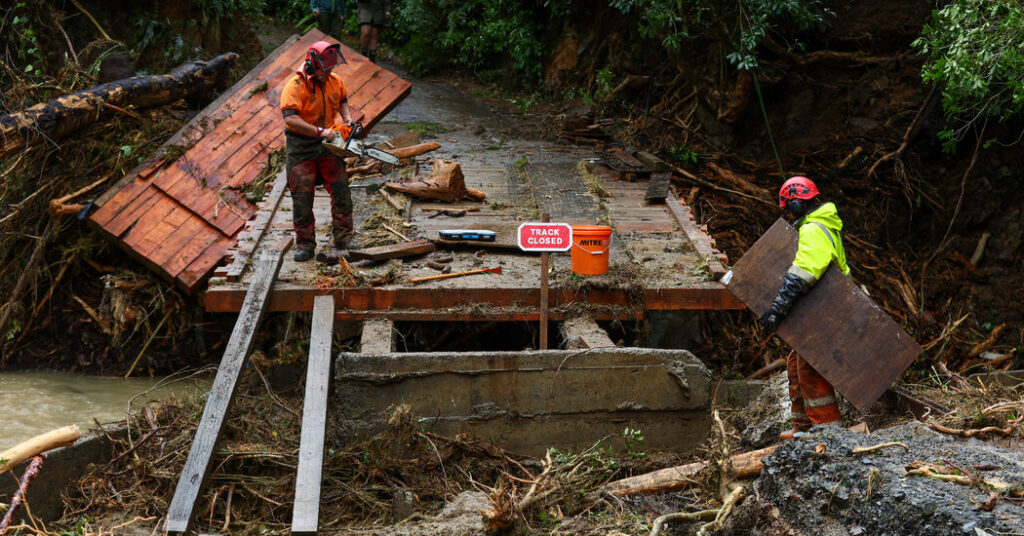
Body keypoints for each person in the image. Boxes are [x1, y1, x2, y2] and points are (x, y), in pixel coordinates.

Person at [759, 176, 849, 439]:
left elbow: (803, 274)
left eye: (788, 208)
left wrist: (778, 308)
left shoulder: (813, 230)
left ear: (797, 205)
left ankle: (827, 428)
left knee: (810, 364)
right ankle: (803, 427)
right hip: (827, 307)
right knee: (796, 359)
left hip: (829, 309)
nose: (788, 214)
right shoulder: (819, 227)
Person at [279, 41, 359, 262]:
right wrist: (320, 131)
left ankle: (344, 239)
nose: (329, 72)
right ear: (313, 64)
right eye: (326, 68)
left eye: (332, 68)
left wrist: (348, 119)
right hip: (301, 145)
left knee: (341, 189)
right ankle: (305, 244)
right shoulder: (295, 86)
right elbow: (291, 119)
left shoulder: (335, 81)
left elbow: (342, 100)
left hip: (328, 143)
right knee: (302, 195)